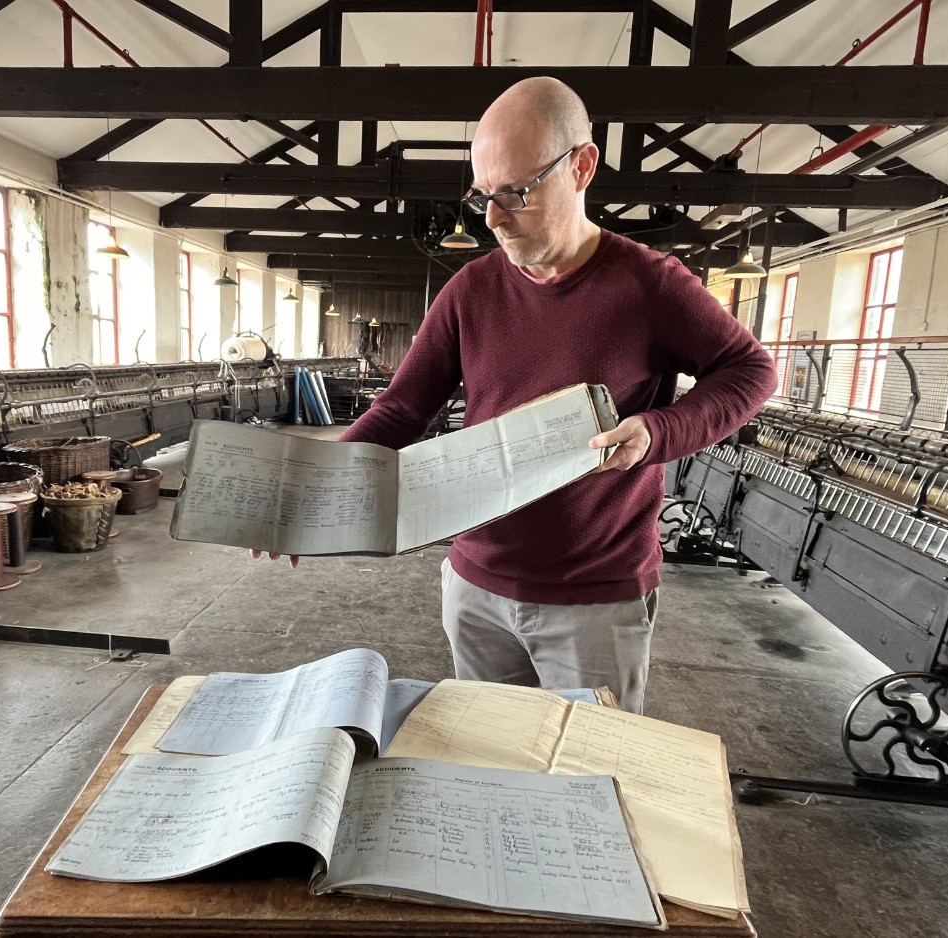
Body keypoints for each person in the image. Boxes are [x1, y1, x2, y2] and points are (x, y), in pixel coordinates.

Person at [258, 76, 776, 713]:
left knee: (588, 774)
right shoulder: (472, 290)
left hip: (594, 598)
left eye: (516, 193)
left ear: (582, 166)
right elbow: (401, 407)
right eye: (482, 198)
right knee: (490, 765)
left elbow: (750, 370)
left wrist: (657, 432)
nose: (496, 219)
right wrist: (314, 490)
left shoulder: (650, 286)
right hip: (476, 587)